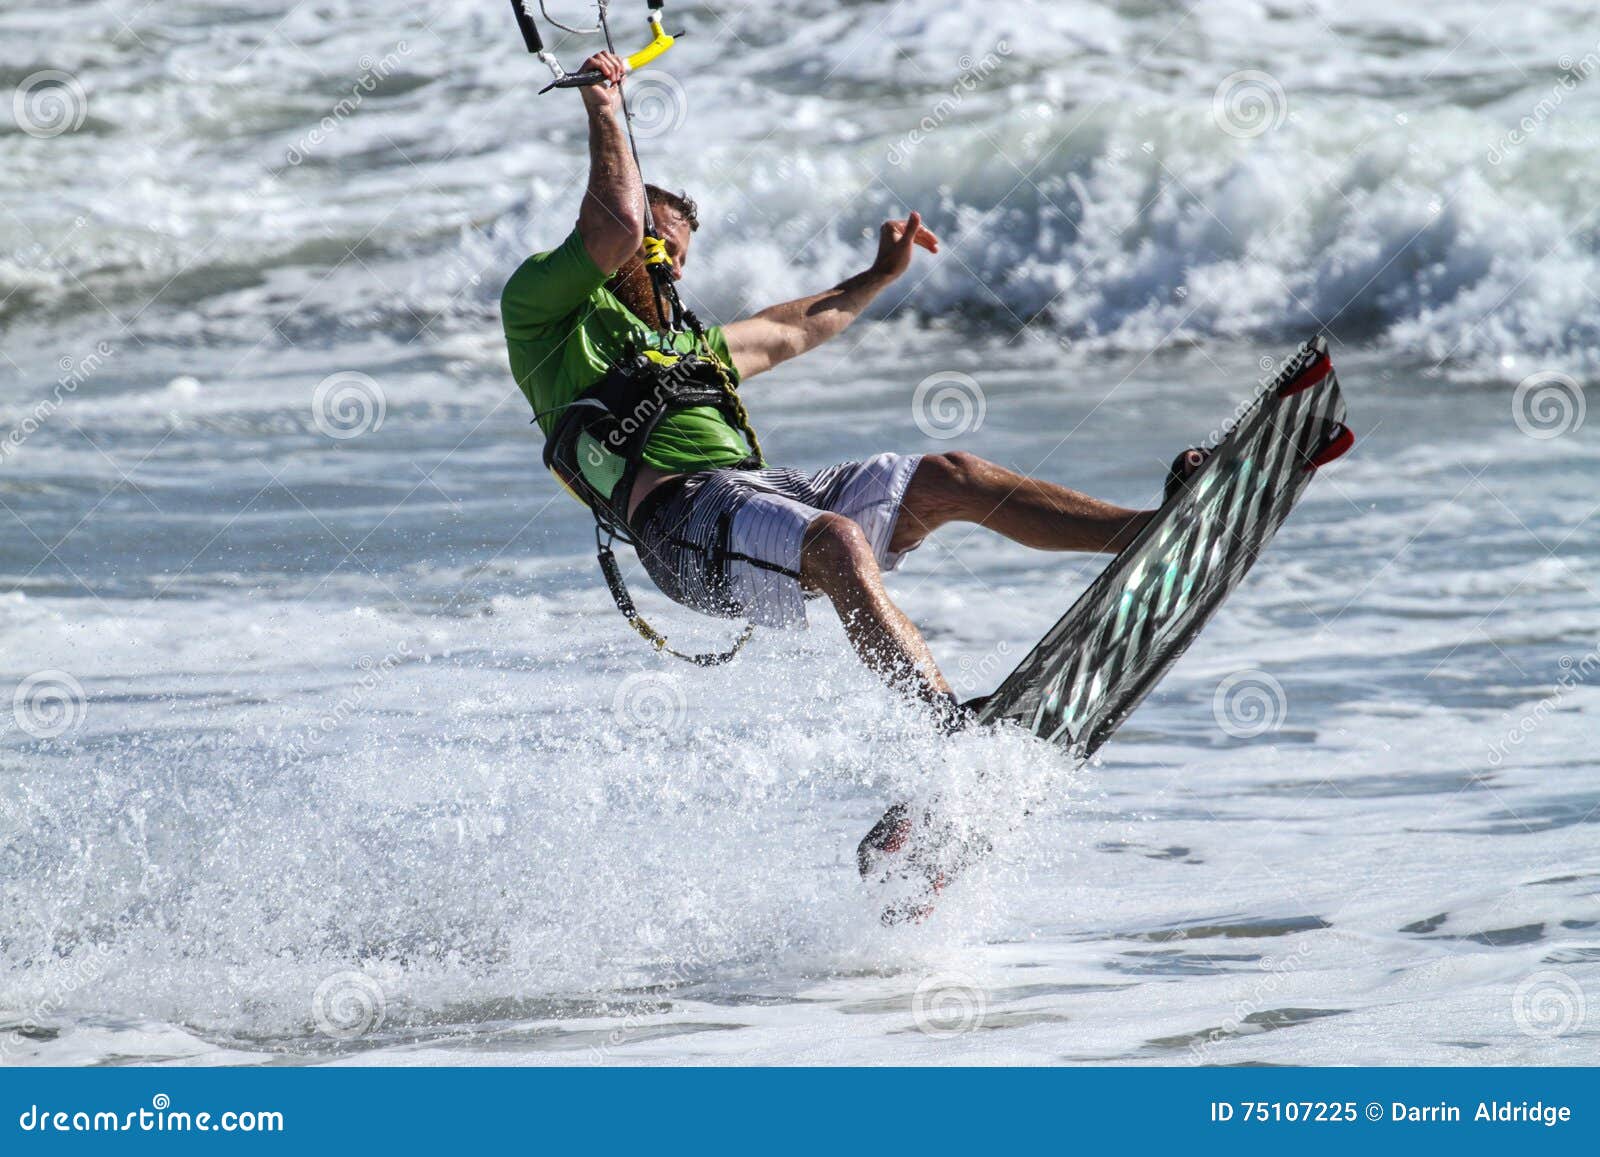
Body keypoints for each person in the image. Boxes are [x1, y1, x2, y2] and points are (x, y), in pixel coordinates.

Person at [502, 51, 1205, 730]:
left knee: (948, 475)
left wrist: (877, 276)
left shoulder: (693, 347)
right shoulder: (544, 313)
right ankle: (943, 729)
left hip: (759, 493)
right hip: (679, 527)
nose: (672, 273)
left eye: (681, 259)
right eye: (662, 250)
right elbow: (619, 226)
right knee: (837, 541)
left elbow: (790, 330)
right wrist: (605, 105)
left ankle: (1144, 532)